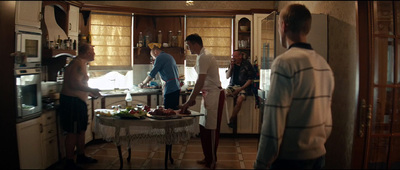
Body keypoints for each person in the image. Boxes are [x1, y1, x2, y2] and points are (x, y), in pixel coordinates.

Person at [254, 4, 334, 169]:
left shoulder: (284, 63)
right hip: (319, 155)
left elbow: (273, 124)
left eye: (278, 26)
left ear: (283, 26)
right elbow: (327, 121)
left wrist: (261, 163)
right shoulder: (324, 65)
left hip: (291, 159)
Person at [180, 34, 225, 169]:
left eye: (188, 45)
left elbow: (200, 81)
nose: (188, 49)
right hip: (208, 95)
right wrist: (193, 97)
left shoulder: (205, 56)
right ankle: (207, 157)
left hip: (214, 95)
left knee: (211, 129)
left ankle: (212, 161)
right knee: (204, 128)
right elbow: (201, 82)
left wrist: (189, 100)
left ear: (195, 44)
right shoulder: (201, 56)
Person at [59, 43, 102, 169]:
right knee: (72, 132)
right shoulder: (77, 63)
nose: (94, 54)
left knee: (81, 130)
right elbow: (74, 84)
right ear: (87, 53)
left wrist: (89, 92)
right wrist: (91, 89)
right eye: (92, 52)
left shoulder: (82, 63)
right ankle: (69, 162)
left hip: (79, 102)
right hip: (72, 102)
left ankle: (81, 155)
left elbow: (80, 83)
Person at [138, 43, 180, 110]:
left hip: (170, 88)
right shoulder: (169, 56)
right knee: (174, 110)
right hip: (176, 87)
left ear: (155, 52)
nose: (154, 59)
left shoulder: (160, 57)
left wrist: (142, 84)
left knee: (168, 112)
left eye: (153, 57)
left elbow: (152, 74)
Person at [225, 50, 256, 128]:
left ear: (240, 56)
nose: (233, 58)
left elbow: (250, 79)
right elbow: (227, 76)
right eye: (233, 56)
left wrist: (240, 89)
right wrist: (231, 67)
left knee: (239, 100)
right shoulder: (232, 64)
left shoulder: (247, 64)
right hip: (232, 86)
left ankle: (232, 119)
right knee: (223, 95)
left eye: (235, 56)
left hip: (243, 87)